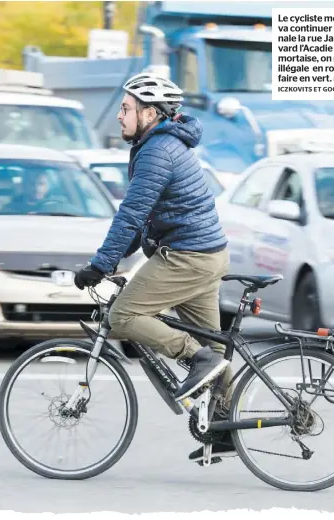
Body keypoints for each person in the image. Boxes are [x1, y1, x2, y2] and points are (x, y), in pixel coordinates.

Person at [73, 72, 234, 459]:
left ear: (149, 112)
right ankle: (226, 429)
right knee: (214, 349)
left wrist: (101, 264)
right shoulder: (162, 144)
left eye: (126, 109)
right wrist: (111, 260)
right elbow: (142, 218)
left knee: (123, 317)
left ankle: (198, 358)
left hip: (187, 257)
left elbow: (131, 214)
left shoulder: (157, 150)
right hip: (207, 255)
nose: (119, 116)